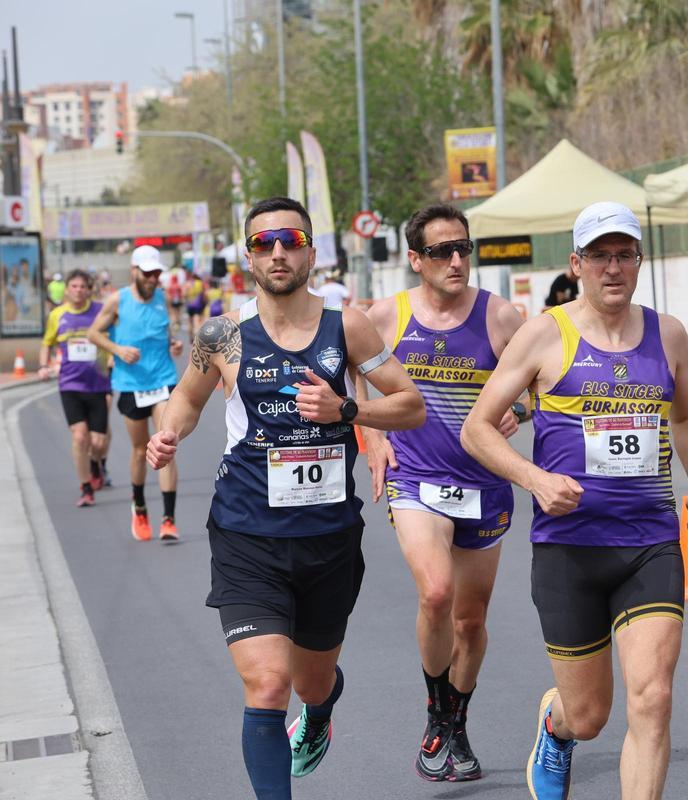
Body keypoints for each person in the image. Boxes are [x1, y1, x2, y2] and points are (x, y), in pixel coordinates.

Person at [145, 196, 425, 800]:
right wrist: (168, 432)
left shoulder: (345, 325)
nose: (277, 252)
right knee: (268, 687)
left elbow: (410, 404)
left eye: (289, 241)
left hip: (327, 538)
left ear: (309, 251)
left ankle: (320, 713)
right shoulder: (222, 333)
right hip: (247, 535)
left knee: (310, 683)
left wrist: (347, 408)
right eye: (264, 243)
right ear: (248, 256)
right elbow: (188, 402)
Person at [461, 201, 688, 800]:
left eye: (623, 255)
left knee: (652, 699)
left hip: (649, 543)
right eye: (599, 256)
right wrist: (534, 479)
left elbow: (686, 414)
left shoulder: (669, 334)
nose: (612, 268)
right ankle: (557, 726)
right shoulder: (545, 333)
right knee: (590, 716)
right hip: (568, 549)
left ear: (639, 261)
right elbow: (477, 428)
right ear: (577, 264)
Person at [359, 203, 525, 783]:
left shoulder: (502, 317)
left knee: (471, 622)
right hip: (415, 480)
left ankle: (456, 720)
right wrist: (369, 433)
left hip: (483, 483)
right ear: (414, 260)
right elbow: (354, 370)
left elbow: (539, 376)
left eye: (463, 248)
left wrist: (519, 412)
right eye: (440, 251)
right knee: (436, 594)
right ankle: (436, 709)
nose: (456, 260)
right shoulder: (385, 317)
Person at [88, 245, 184, 542]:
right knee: (141, 449)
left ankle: (168, 519)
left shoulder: (162, 298)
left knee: (165, 442)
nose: (153, 279)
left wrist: (174, 345)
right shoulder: (118, 300)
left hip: (163, 380)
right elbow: (93, 333)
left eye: (156, 273)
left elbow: (166, 333)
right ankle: (140, 506)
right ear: (134, 272)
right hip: (131, 386)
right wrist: (118, 350)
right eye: (148, 273)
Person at [39, 269, 111, 507]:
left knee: (98, 442)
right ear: (67, 289)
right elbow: (46, 343)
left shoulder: (100, 311)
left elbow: (116, 335)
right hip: (70, 384)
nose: (78, 290)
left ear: (89, 289)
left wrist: (113, 355)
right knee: (80, 437)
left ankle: (96, 464)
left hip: (99, 383)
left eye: (83, 286)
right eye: (74, 286)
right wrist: (42, 365)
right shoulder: (57, 315)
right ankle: (86, 487)